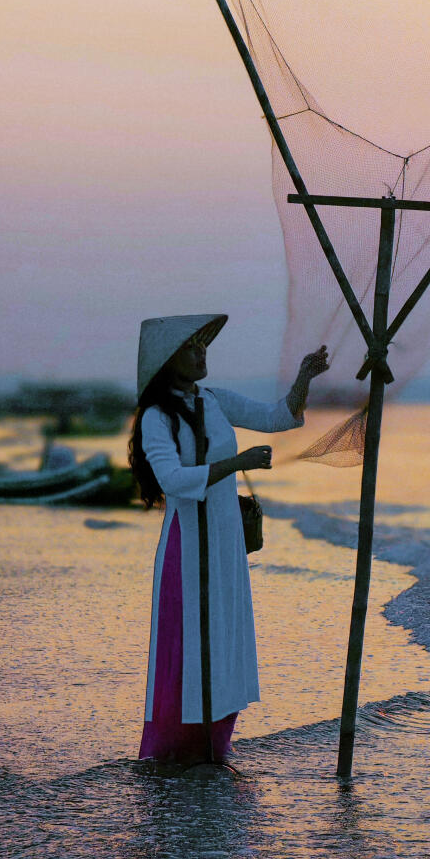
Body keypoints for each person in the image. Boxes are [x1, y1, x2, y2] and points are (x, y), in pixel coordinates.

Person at [129, 313, 329, 763]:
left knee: (223, 639)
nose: (202, 352)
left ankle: (215, 747)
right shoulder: (157, 418)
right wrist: (238, 464)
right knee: (189, 645)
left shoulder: (215, 401)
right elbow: (173, 480)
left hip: (225, 545)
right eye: (191, 346)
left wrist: (304, 377)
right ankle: (175, 749)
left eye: (203, 344)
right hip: (187, 549)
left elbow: (277, 416)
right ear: (168, 360)